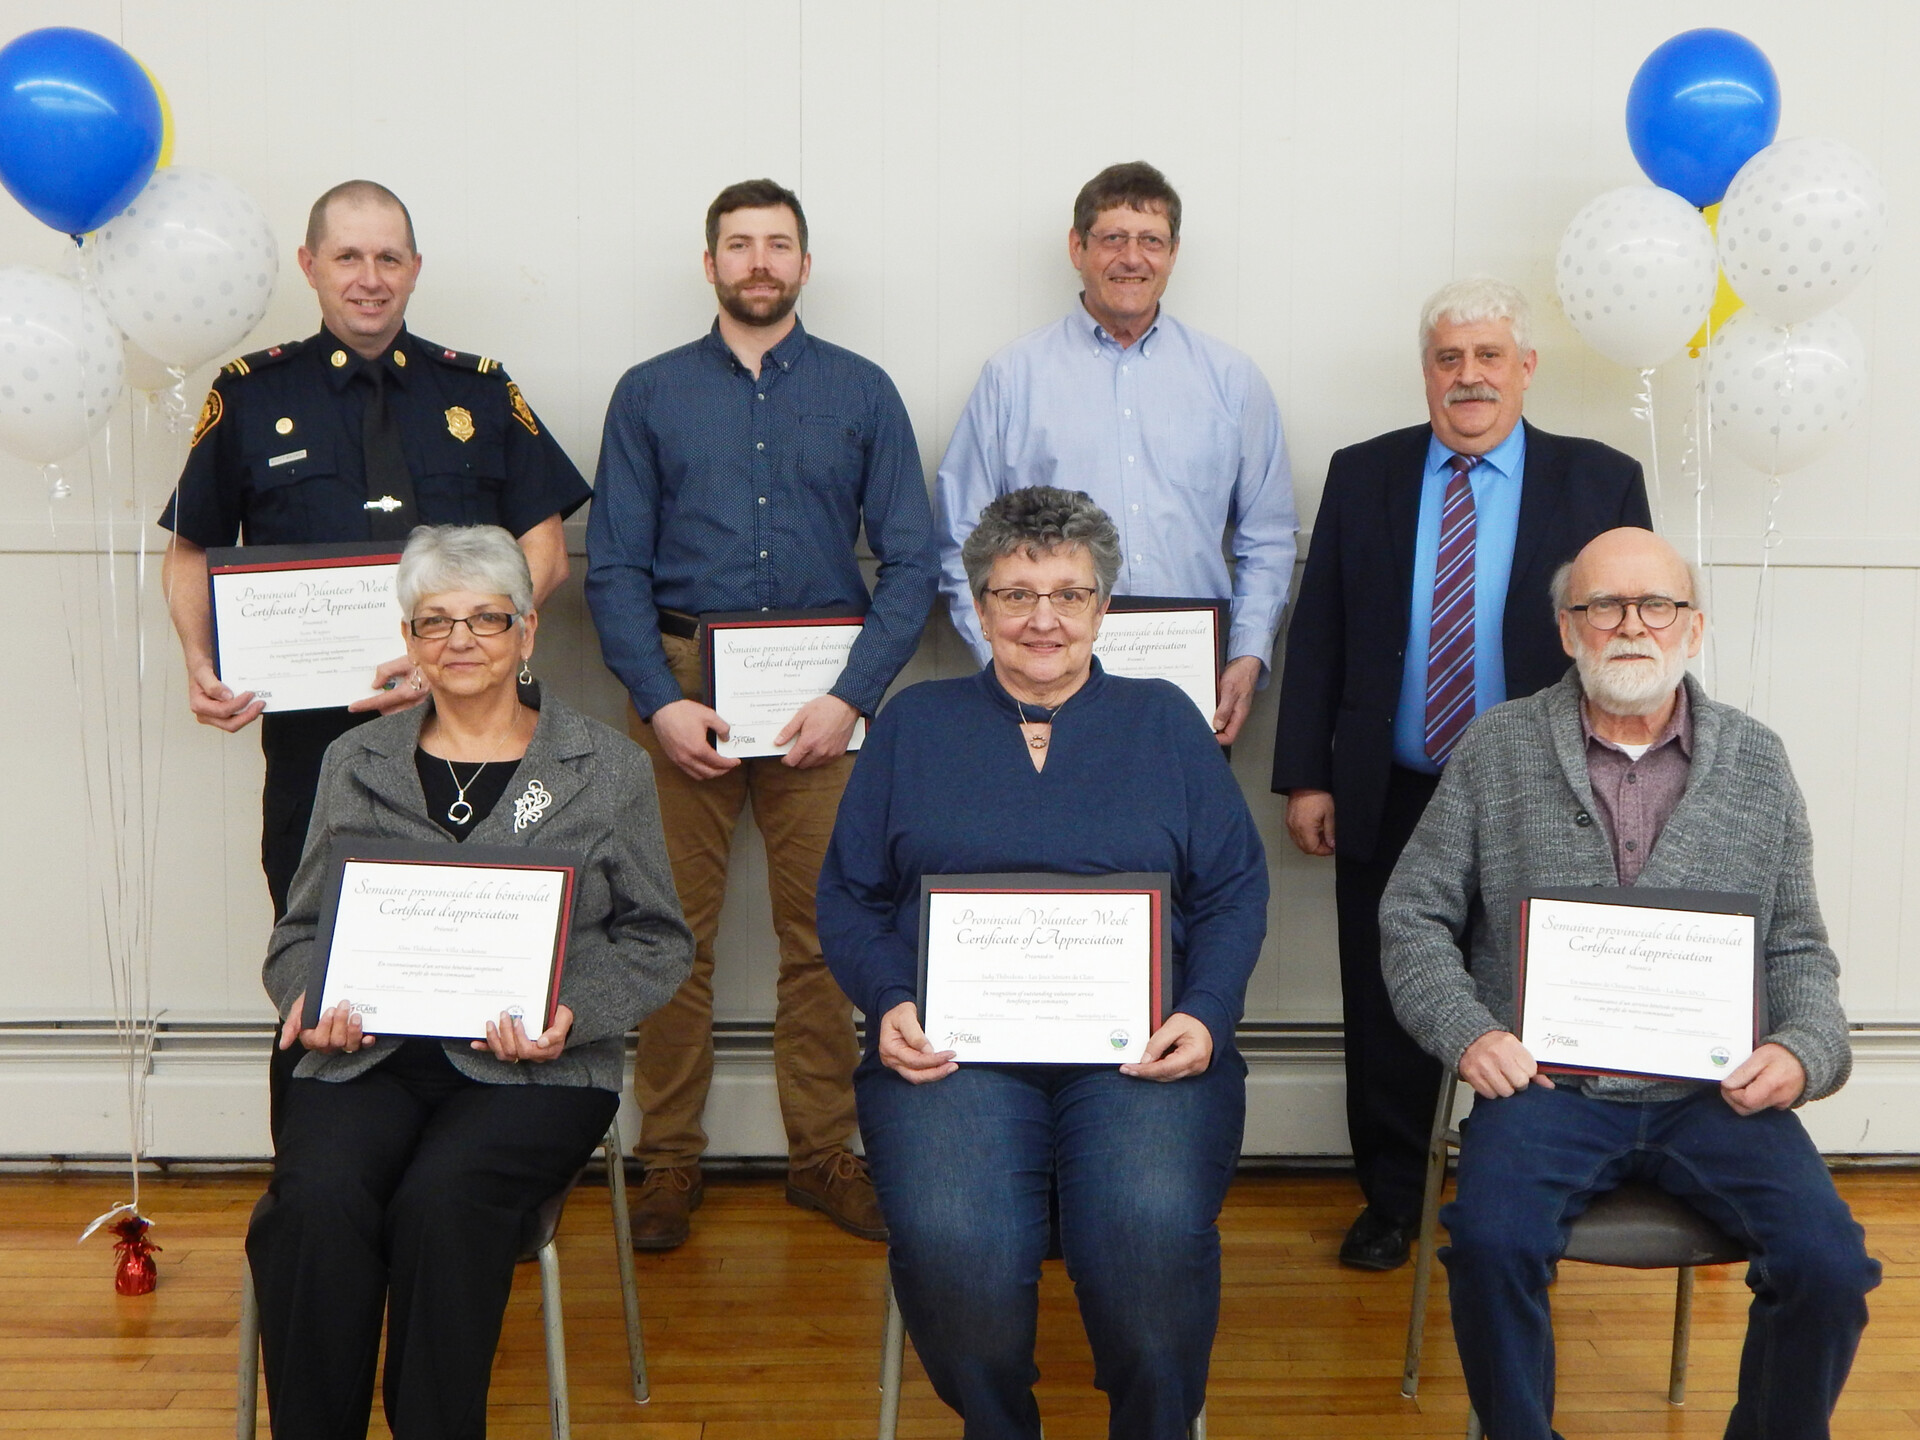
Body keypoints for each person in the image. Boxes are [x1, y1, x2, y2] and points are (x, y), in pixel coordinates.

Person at [1379, 526, 1880, 1438]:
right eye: (1604, 606)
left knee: (1830, 1266)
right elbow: (1411, 918)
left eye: (1657, 605)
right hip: (1544, 1087)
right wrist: (1470, 1034)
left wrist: (1804, 1053)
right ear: (1569, 630)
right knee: (1491, 1246)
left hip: (1715, 1096)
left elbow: (1800, 946)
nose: (1631, 626)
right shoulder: (1496, 750)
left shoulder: (1757, 762)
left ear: (1693, 627)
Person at [818, 487, 1267, 1439]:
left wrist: (1209, 1011)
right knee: (955, 1245)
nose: (1043, 619)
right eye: (1016, 594)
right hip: (950, 1052)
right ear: (978, 607)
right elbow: (848, 899)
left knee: (1149, 1237)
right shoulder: (913, 725)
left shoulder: (1167, 723)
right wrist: (890, 998)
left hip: (1147, 1049)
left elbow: (1233, 892)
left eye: (1070, 593)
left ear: (1105, 606)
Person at [158, 181, 591, 1134]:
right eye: (347, 257)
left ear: (415, 270)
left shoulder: (476, 387)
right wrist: (200, 660)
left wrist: (455, 650)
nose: (368, 277)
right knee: (322, 960)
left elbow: (546, 546)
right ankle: (316, 1206)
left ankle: (475, 1190)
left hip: (478, 732)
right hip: (319, 748)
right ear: (310, 267)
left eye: (388, 257)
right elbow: (193, 549)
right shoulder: (249, 391)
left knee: (479, 948)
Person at [244, 524, 693, 1440]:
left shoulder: (604, 768)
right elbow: (299, 931)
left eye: (486, 620)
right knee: (317, 1203)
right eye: (434, 622)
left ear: (527, 632)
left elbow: (658, 939)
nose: (460, 642)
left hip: (533, 1065)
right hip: (368, 1053)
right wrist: (307, 999)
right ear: (408, 639)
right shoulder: (354, 760)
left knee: (444, 1205)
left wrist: (575, 1011)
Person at [1269, 277, 1651, 1270]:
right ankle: (1392, 1201)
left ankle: (1510, 1196)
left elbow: (1633, 637)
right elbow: (1323, 634)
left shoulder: (1599, 481)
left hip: (1548, 793)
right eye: (1450, 358)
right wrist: (1308, 776)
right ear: (1427, 371)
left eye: (1489, 357)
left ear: (1526, 369)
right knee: (1390, 993)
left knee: (1533, 998)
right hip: (1392, 788)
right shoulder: (1365, 474)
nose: (1469, 377)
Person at [585, 177, 938, 1248]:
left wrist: (851, 698)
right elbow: (613, 570)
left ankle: (824, 1156)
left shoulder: (863, 391)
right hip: (687, 687)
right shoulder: (648, 394)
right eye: (738, 245)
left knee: (826, 938)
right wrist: (657, 704)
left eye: (777, 245)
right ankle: (670, 1162)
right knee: (668, 939)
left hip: (819, 703)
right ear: (710, 265)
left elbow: (914, 561)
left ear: (804, 264)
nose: (758, 263)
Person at [935, 160, 1296, 746]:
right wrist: (1002, 661)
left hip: (1186, 691)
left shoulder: (1232, 381)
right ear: (1078, 247)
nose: (1133, 258)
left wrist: (1248, 655)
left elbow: (1270, 536)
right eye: (1112, 239)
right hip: (1042, 688)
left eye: (1151, 240)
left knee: (1176, 840)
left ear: (1173, 253)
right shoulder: (1012, 378)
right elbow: (960, 536)